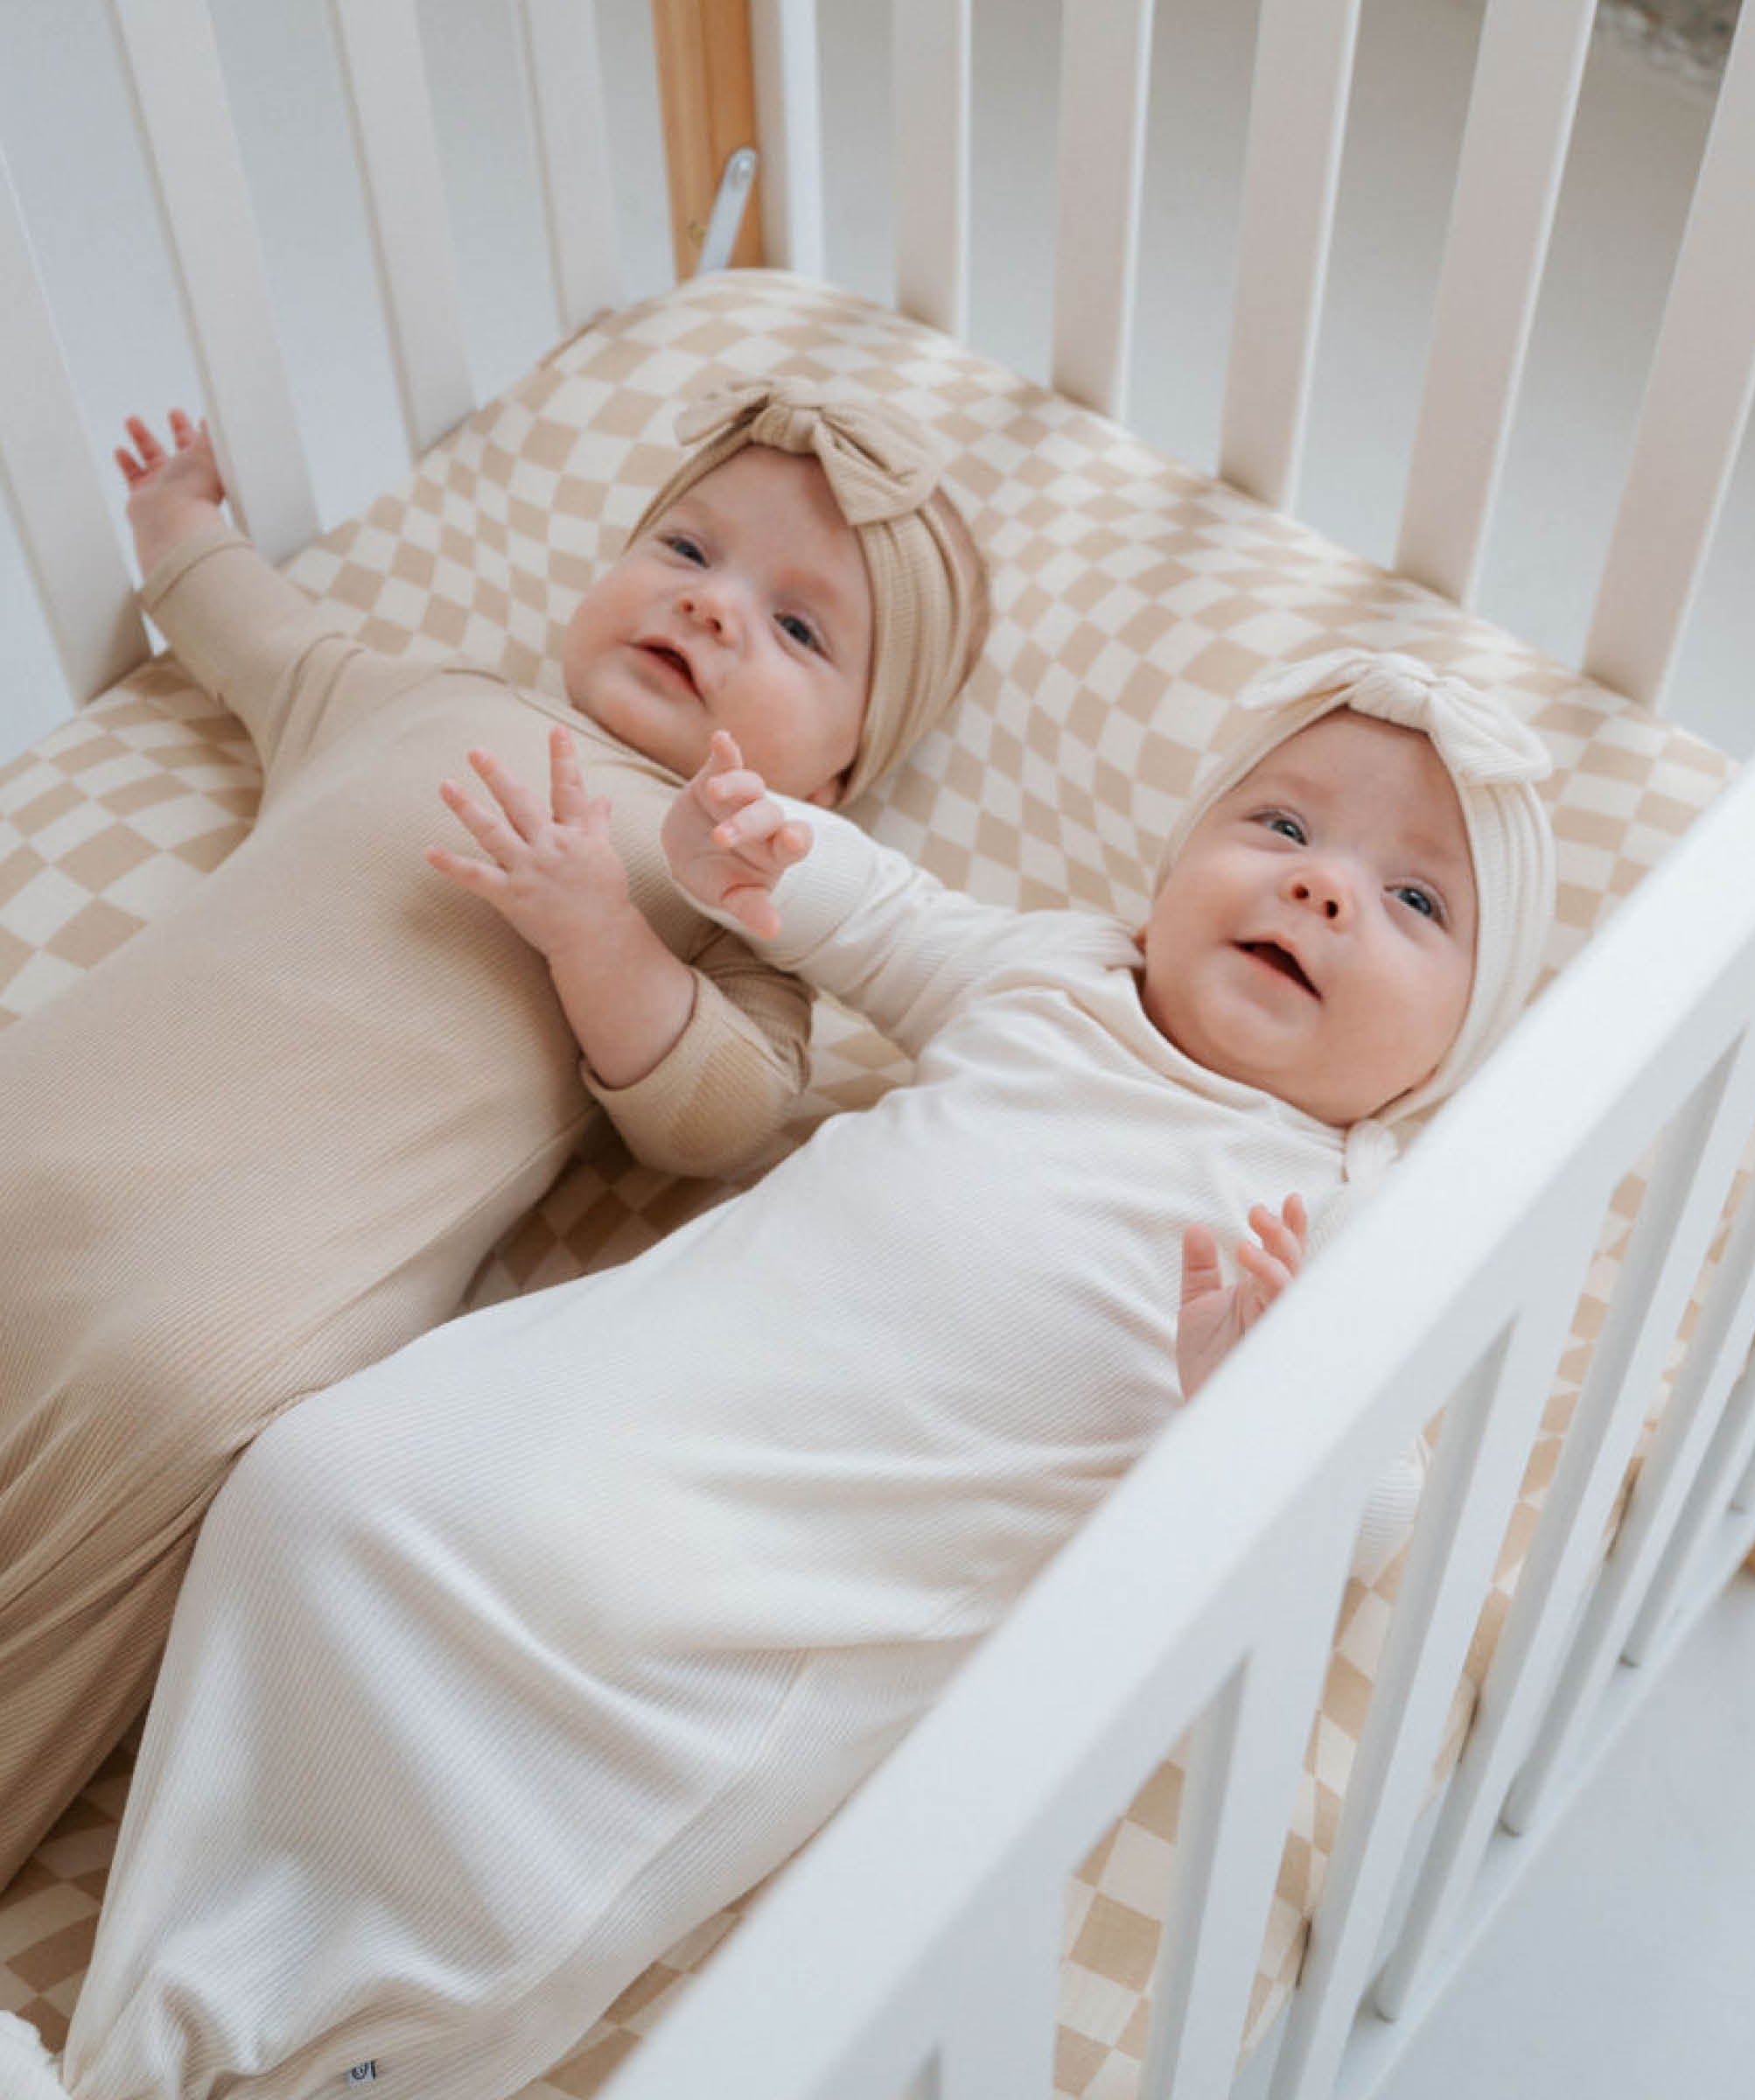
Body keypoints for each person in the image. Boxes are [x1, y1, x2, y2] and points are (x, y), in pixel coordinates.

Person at [0, 649, 1556, 2100]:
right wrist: (759, 854)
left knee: (525, 1824)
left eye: (1415, 901)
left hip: (771, 1584)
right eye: (1282, 821)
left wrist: (1258, 1404)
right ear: (1170, 868)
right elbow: (885, 918)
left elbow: (1374, 1509)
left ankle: (226, 2053)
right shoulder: (1059, 974)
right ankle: (158, 1977)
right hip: (606, 1392)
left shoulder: (1339, 1211)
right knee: (317, 1492)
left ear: (1447, 1054)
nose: (1320, 886)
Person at [0, 377, 989, 1886]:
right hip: (62, 1121)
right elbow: (262, 639)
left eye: (798, 630)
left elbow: (718, 1114)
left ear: (841, 773)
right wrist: (181, 522)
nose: (714, 611)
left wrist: (601, 930)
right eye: (685, 549)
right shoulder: (421, 700)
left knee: (164, 1418)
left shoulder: (735, 889)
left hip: (254, 1273)